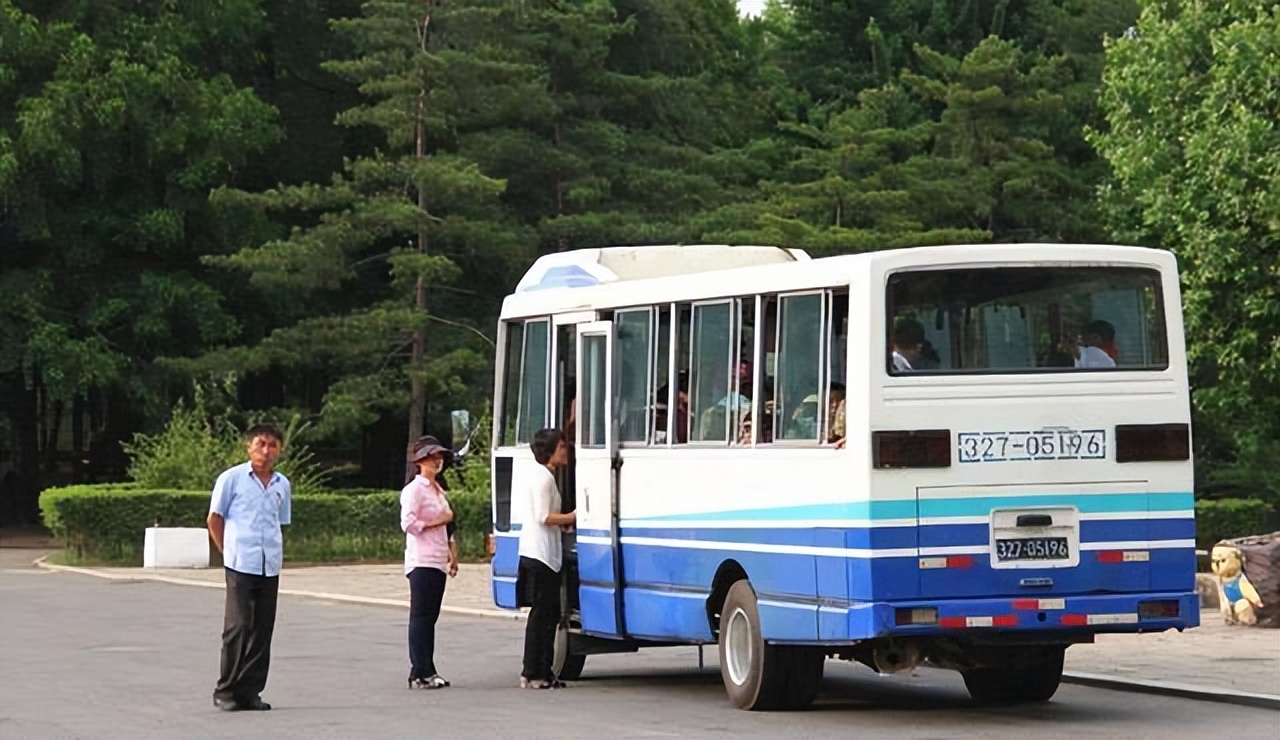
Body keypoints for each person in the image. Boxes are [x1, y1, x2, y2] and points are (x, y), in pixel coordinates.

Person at [207, 424, 292, 712]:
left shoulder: (282, 483)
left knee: (262, 628)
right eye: (261, 444)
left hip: (269, 564)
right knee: (238, 625)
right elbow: (214, 518)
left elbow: (280, 522)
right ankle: (226, 689)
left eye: (272, 445)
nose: (266, 451)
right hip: (241, 562)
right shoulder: (232, 479)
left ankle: (249, 690)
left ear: (279, 450)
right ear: (249, 447)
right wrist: (227, 550)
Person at [518, 428, 575, 689]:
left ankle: (539, 670)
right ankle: (535, 672)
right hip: (542, 554)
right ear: (550, 451)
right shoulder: (544, 479)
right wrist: (573, 517)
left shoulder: (538, 475)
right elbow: (544, 516)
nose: (565, 451)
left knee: (544, 615)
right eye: (561, 446)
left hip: (538, 551)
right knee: (544, 615)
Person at [401, 437, 459, 689]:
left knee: (430, 617)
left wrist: (451, 552)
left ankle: (426, 668)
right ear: (420, 461)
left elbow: (449, 524)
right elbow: (408, 523)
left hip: (437, 558)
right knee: (421, 616)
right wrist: (438, 521)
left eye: (440, 457)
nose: (437, 462)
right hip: (421, 559)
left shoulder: (437, 490)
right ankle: (421, 670)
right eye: (431, 458)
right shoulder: (414, 490)